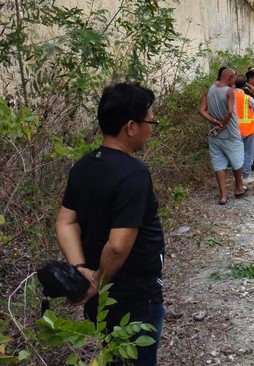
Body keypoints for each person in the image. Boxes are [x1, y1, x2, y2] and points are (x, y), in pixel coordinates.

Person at [56, 83, 165, 364]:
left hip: (100, 296)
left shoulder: (84, 165)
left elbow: (66, 222)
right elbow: (117, 247)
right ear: (131, 126)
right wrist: (97, 283)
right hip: (133, 295)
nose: (151, 129)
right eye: (150, 121)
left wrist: (82, 270)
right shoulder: (134, 175)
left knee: (113, 355)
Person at [199, 67, 248, 205]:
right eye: (234, 78)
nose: (235, 80)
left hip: (214, 135)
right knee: (237, 161)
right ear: (230, 78)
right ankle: (238, 188)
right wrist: (222, 125)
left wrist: (214, 123)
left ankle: (223, 196)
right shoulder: (229, 91)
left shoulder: (211, 89)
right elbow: (230, 112)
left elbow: (201, 110)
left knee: (218, 164)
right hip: (230, 133)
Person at [234, 75, 254, 185]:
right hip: (247, 129)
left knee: (236, 153)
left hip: (233, 129)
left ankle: (237, 177)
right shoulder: (247, 98)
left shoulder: (229, 95)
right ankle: (245, 176)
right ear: (245, 85)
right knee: (248, 152)